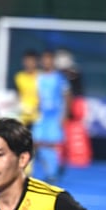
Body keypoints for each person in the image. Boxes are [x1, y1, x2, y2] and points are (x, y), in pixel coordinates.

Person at [33, 50, 68, 183]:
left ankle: (53, 172)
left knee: (51, 143)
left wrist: (64, 115)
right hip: (41, 115)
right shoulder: (39, 77)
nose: (46, 62)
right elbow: (37, 95)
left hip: (54, 116)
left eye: (49, 59)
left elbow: (67, 95)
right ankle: (50, 169)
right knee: (36, 141)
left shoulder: (59, 78)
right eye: (44, 59)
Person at [13, 50, 39, 127]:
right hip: (23, 114)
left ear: (36, 62)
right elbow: (17, 94)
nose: (30, 64)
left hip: (38, 115)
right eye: (27, 61)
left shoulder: (41, 76)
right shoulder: (19, 77)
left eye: (32, 61)